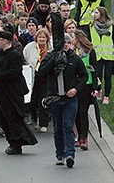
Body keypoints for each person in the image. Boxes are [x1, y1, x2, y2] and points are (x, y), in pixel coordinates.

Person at [36, 33, 88, 168]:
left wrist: (76, 89)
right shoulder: (50, 56)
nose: (65, 45)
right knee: (58, 128)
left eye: (67, 43)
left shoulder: (75, 59)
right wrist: (53, 62)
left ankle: (70, 154)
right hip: (55, 98)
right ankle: (60, 154)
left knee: (68, 126)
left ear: (70, 44)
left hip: (70, 99)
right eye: (62, 43)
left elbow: (83, 76)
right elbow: (41, 74)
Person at [0, 30, 37, 155]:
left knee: (13, 117)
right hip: (0, 92)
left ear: (5, 41)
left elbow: (13, 73)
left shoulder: (15, 55)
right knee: (3, 117)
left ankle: (16, 143)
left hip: (12, 93)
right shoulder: (0, 54)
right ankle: (12, 142)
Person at [88, 6, 114, 105]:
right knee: (97, 75)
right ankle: (98, 90)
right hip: (97, 56)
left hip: (109, 56)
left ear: (102, 14)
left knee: (107, 76)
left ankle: (107, 96)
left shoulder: (111, 27)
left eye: (97, 13)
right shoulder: (92, 26)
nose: (95, 14)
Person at [73, 29, 99, 150]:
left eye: (73, 37)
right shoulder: (73, 52)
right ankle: (78, 136)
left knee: (83, 111)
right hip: (75, 85)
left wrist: (95, 87)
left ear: (78, 39)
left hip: (86, 84)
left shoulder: (90, 52)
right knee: (76, 112)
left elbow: (95, 70)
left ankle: (84, 138)